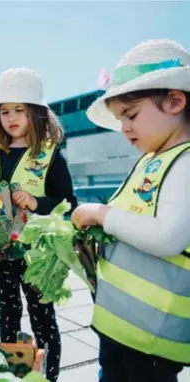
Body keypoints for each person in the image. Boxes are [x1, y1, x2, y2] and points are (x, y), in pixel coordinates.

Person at [72, 39, 190, 382]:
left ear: (175, 101)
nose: (124, 127)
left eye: (131, 115)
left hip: (152, 338)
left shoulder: (184, 161)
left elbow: (168, 238)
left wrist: (100, 214)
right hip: (122, 327)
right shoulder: (153, 159)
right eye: (120, 118)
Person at [0, 68, 78, 382]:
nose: (11, 117)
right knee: (8, 315)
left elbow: (69, 204)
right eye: (4, 111)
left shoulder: (50, 156)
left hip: (38, 257)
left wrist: (36, 203)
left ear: (37, 113)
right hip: (0, 251)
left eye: (19, 110)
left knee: (43, 320)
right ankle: (13, 374)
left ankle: (48, 377)